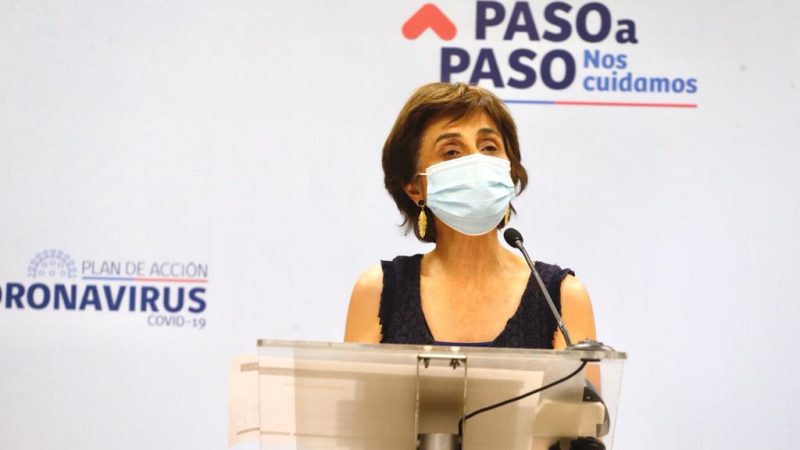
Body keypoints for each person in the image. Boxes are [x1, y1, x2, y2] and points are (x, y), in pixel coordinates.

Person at [344, 82, 597, 351]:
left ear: (509, 169)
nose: (477, 162)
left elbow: (583, 381)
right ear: (415, 187)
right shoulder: (379, 291)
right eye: (451, 152)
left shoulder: (560, 297)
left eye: (489, 147)